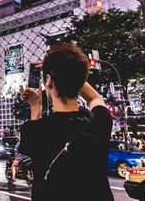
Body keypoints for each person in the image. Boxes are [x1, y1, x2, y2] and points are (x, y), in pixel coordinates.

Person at [18, 42, 113, 201]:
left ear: (48, 80)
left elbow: (34, 156)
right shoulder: (99, 120)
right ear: (81, 78)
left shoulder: (35, 130)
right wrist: (69, 72)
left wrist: (36, 106)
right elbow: (95, 97)